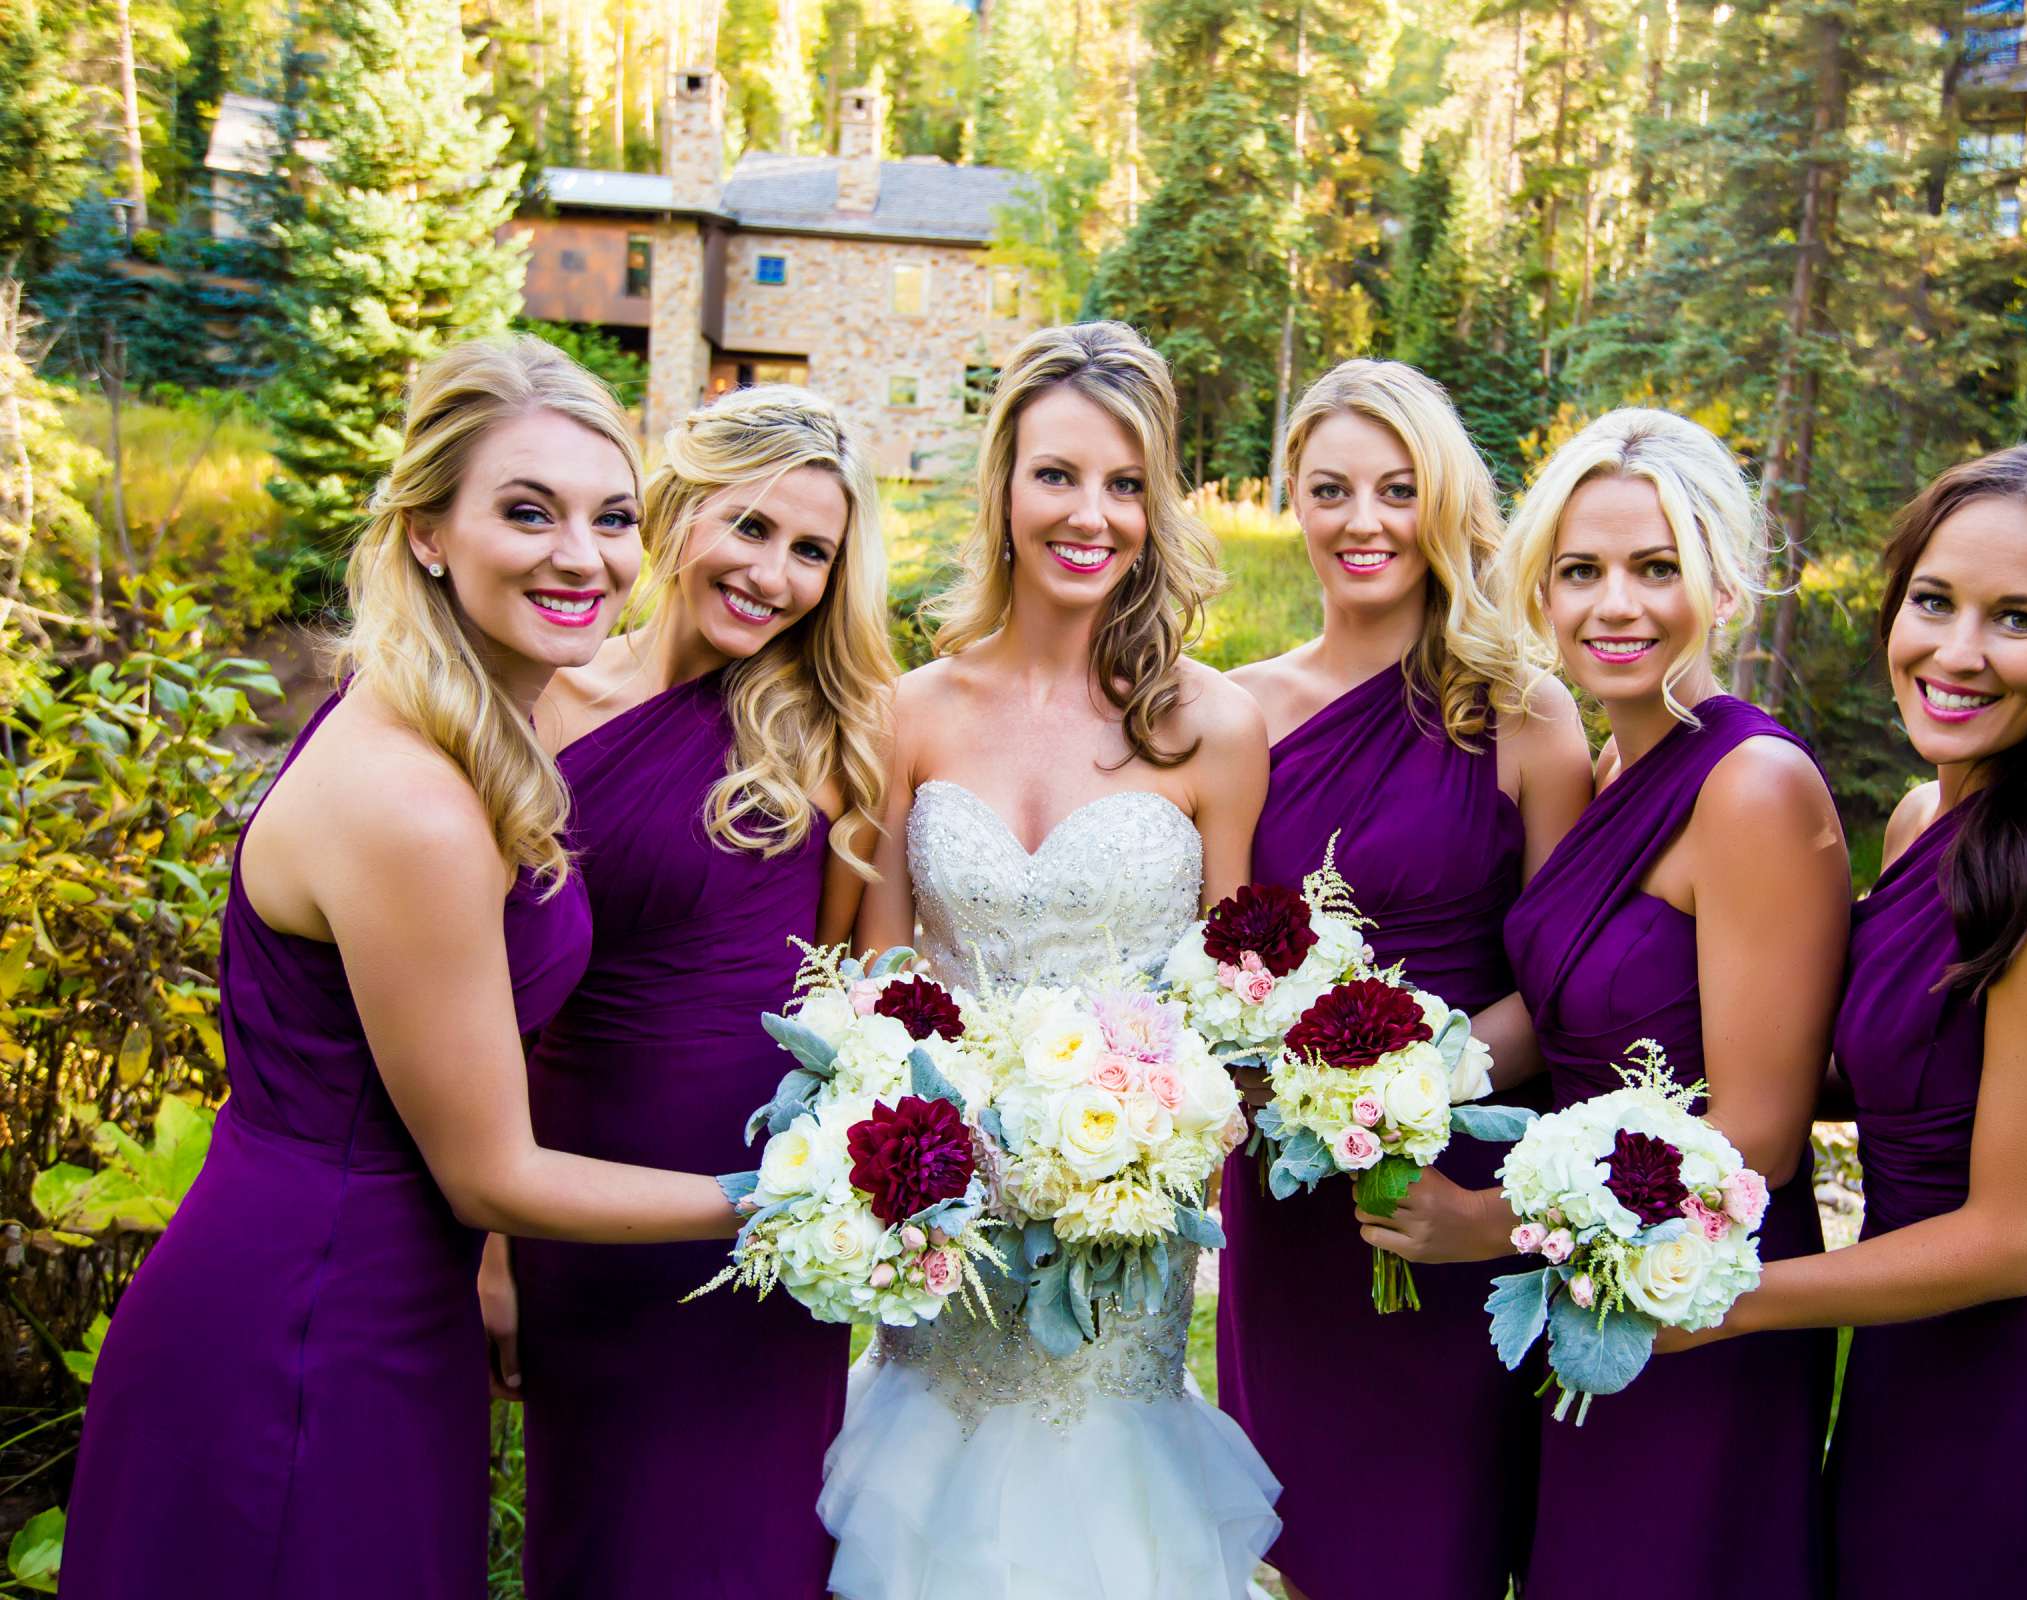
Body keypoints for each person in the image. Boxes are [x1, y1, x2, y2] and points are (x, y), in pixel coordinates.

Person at [61, 336, 742, 1599]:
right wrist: (784, 1199)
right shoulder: (415, 806)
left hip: (374, 1290)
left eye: (610, 517)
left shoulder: (442, 702)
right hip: (311, 1322)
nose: (581, 555)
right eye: (526, 512)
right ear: (429, 530)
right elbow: (494, 1171)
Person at [1654, 440, 2027, 1599]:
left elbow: (2016, 1238)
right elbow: (1889, 1065)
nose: (1955, 654)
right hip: (1911, 1393)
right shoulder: (1926, 821)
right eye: (1932, 601)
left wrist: (1712, 1295)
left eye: (2017, 619)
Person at [820, 321, 1278, 1600]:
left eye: (1127, 484)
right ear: (1004, 489)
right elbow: (872, 991)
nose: (1093, 514)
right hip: (946, 1234)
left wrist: (1142, 1145)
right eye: (1059, 475)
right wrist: (923, 1146)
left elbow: (1230, 1014)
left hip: (1119, 1245)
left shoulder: (1214, 729)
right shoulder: (905, 710)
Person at [1375, 407, 1850, 1598]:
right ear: (1540, 590)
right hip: (1592, 1294)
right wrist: (1396, 1071)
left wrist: (1495, 1225)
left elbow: (1758, 1137)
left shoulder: (1751, 786)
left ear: (1724, 583)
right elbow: (1570, 1001)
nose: (1615, 605)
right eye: (1580, 572)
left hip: (1698, 1305)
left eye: (1657, 569)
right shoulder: (1614, 770)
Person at [479, 385, 896, 1598]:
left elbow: (845, 996)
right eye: (752, 528)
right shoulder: (540, 703)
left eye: (811, 550)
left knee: (753, 1545)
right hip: (582, 1193)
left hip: (770, 1212)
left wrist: (834, 1187)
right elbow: (490, 998)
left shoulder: (832, 735)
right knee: (598, 1537)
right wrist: (498, 1250)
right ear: (676, 511)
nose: (773, 573)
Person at [1217, 359, 1590, 1600]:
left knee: (1434, 1548)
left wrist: (1417, 1085)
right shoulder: (1236, 714)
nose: (1361, 521)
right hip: (1289, 1195)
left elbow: (1571, 979)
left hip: (1454, 1184)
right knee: (1300, 1541)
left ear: (1443, 505)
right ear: (1294, 499)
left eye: (1396, 489)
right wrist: (1303, 1099)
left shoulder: (1527, 715)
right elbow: (1214, 956)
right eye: (1330, 489)